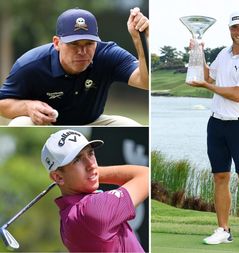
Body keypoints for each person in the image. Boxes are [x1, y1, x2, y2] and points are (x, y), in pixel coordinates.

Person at [188, 11, 239, 250]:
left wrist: (207, 85)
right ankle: (223, 230)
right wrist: (197, 52)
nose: (238, 32)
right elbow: (209, 74)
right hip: (217, 124)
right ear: (230, 30)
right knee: (220, 177)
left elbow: (237, 93)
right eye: (234, 28)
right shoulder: (224, 53)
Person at [0, 7, 149, 126]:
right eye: (74, 44)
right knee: (21, 123)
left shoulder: (107, 54)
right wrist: (27, 107)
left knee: (131, 126)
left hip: (92, 122)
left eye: (89, 44)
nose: (82, 51)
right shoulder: (30, 65)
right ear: (57, 43)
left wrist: (139, 40)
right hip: (45, 125)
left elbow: (146, 82)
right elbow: (2, 103)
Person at [41, 129, 149, 252]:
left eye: (90, 153)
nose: (91, 164)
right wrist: (95, 173)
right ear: (58, 176)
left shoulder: (67, 217)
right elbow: (146, 175)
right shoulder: (93, 209)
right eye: (77, 160)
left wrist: (89, 174)